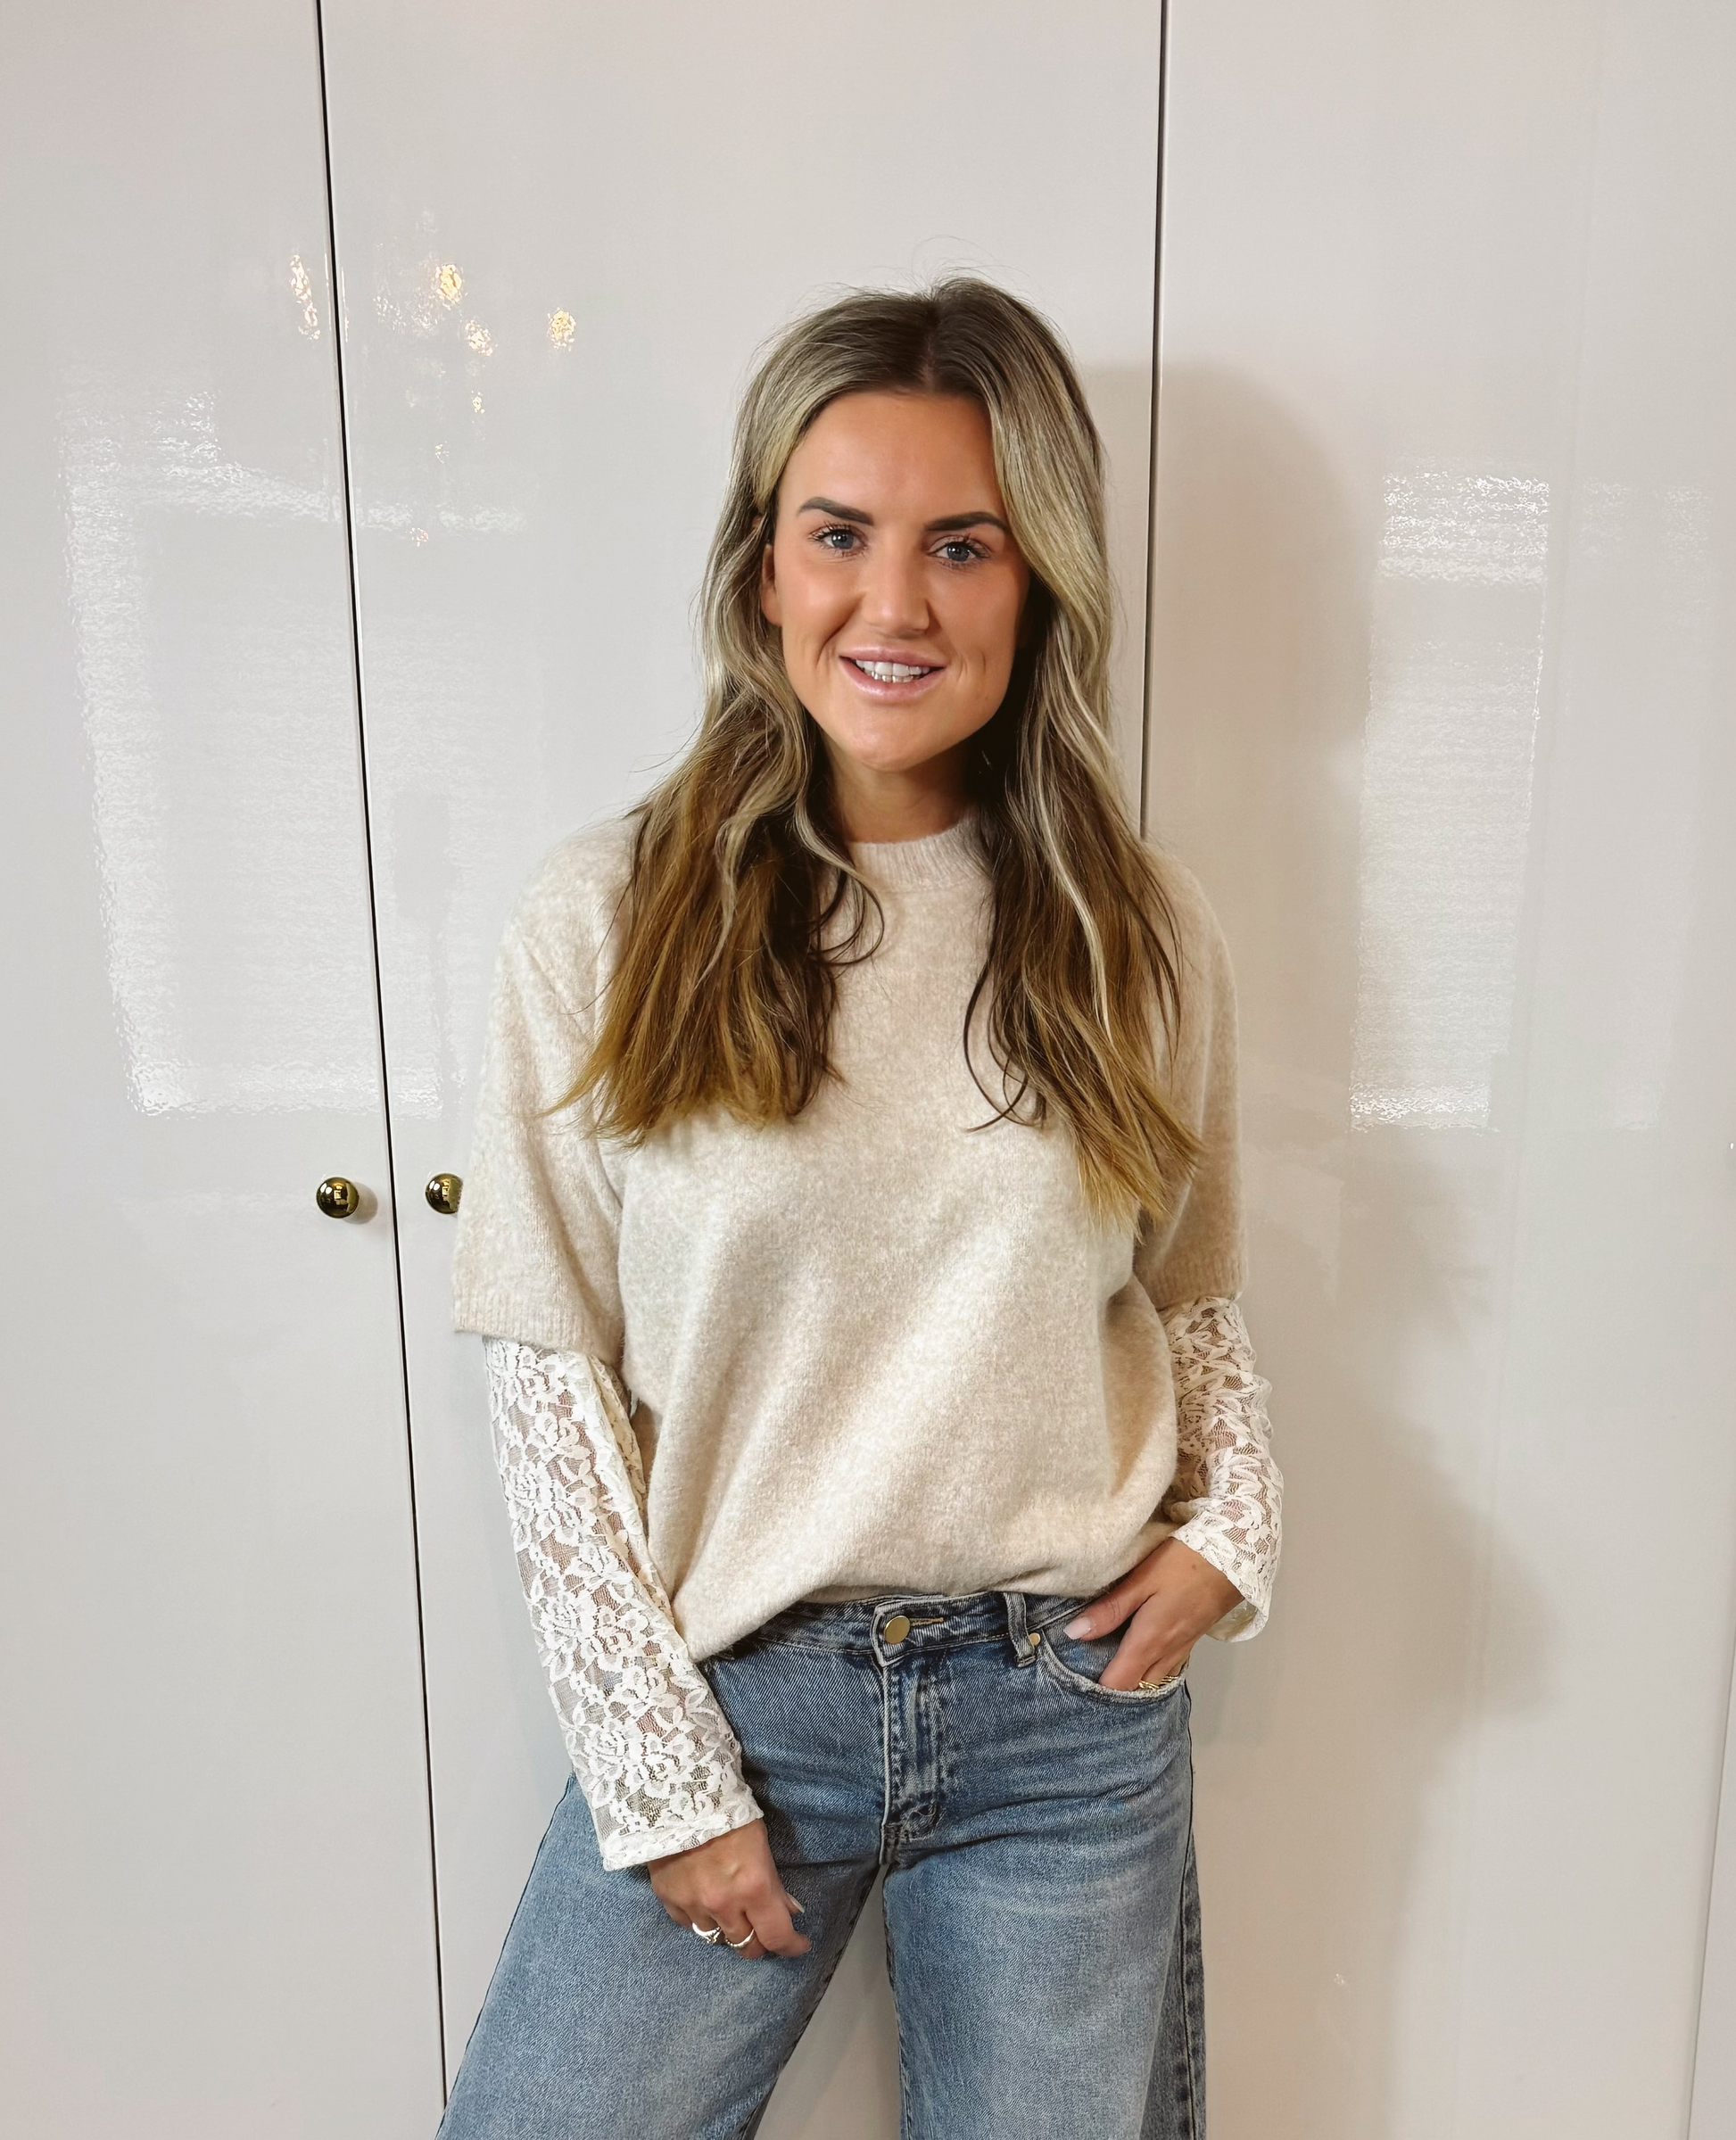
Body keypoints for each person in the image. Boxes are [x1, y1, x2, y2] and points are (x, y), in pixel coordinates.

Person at [440, 278, 1280, 2140]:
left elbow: (1189, 1299)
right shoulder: (605, 918)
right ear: (763, 568)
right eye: (838, 535)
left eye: (960, 545)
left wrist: (1236, 1522)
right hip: (742, 1691)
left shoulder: (1138, 932)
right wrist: (658, 1768)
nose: (892, 604)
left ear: (1037, 580)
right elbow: (547, 1368)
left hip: (1065, 1710)